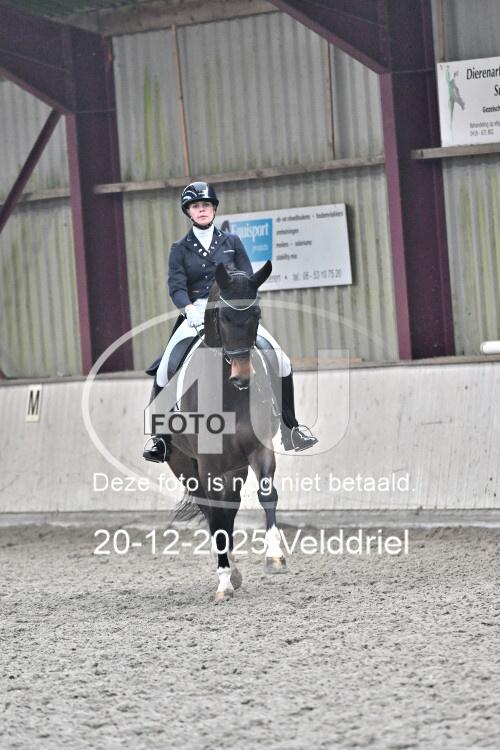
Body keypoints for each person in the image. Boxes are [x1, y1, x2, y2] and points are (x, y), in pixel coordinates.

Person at [143, 181, 318, 462]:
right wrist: (188, 308)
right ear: (188, 212)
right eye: (196, 206)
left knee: (282, 361)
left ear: (214, 209)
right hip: (197, 311)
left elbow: (246, 277)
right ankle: (160, 438)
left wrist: (242, 302)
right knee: (165, 367)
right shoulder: (180, 248)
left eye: (206, 205)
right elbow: (176, 286)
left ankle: (291, 428)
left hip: (234, 312)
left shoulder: (231, 242)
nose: (202, 210)